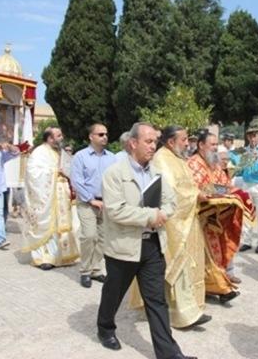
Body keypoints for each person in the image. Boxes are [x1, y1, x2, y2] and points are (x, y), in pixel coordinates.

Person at [96, 122, 196, 359]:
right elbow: (116, 211)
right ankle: (105, 327)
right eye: (148, 141)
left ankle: (169, 354)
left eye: (155, 141)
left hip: (152, 245)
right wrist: (152, 215)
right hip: (123, 247)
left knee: (156, 301)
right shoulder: (114, 174)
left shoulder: (156, 173)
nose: (154, 146)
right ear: (133, 143)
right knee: (114, 292)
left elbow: (171, 201)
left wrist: (164, 213)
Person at [139, 125, 210, 329]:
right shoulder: (162, 159)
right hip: (173, 223)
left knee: (186, 266)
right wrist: (196, 195)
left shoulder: (178, 158)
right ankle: (183, 315)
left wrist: (198, 192)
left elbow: (188, 185)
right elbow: (170, 193)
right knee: (178, 266)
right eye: (185, 139)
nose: (188, 143)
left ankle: (188, 308)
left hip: (188, 220)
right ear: (171, 142)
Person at [187, 130, 242, 304]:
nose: (215, 148)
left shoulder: (215, 164)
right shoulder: (192, 164)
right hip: (197, 219)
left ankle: (212, 287)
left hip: (215, 219)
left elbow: (223, 185)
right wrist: (218, 190)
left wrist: (230, 192)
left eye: (216, 145)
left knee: (215, 255)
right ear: (201, 145)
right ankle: (221, 289)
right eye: (212, 144)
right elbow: (197, 189)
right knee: (205, 257)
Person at [21, 127, 79, 270]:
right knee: (47, 225)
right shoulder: (39, 152)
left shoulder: (59, 152)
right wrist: (54, 172)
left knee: (61, 226)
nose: (61, 138)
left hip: (61, 196)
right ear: (50, 138)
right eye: (58, 135)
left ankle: (61, 256)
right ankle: (45, 258)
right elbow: (32, 173)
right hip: (47, 197)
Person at [71, 123, 116, 288]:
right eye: (100, 134)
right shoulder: (80, 157)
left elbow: (115, 180)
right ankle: (85, 271)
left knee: (103, 239)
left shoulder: (112, 157)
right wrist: (91, 200)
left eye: (105, 134)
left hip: (106, 203)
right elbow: (76, 181)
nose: (104, 137)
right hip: (87, 202)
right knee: (89, 236)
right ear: (91, 137)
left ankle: (96, 269)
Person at [238, 127, 258, 253]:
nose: (252, 138)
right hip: (247, 184)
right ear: (247, 137)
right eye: (250, 136)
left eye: (254, 136)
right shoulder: (245, 150)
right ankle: (247, 241)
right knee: (247, 214)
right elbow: (241, 168)